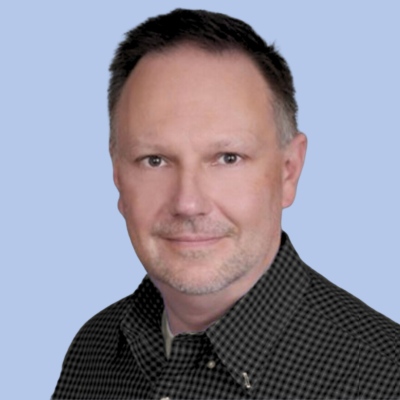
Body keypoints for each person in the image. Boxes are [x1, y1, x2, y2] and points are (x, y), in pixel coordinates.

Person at [52, 8, 399, 400]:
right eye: (155, 160)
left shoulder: (386, 378)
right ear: (117, 175)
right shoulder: (93, 350)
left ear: (289, 171)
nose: (188, 203)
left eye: (227, 158)